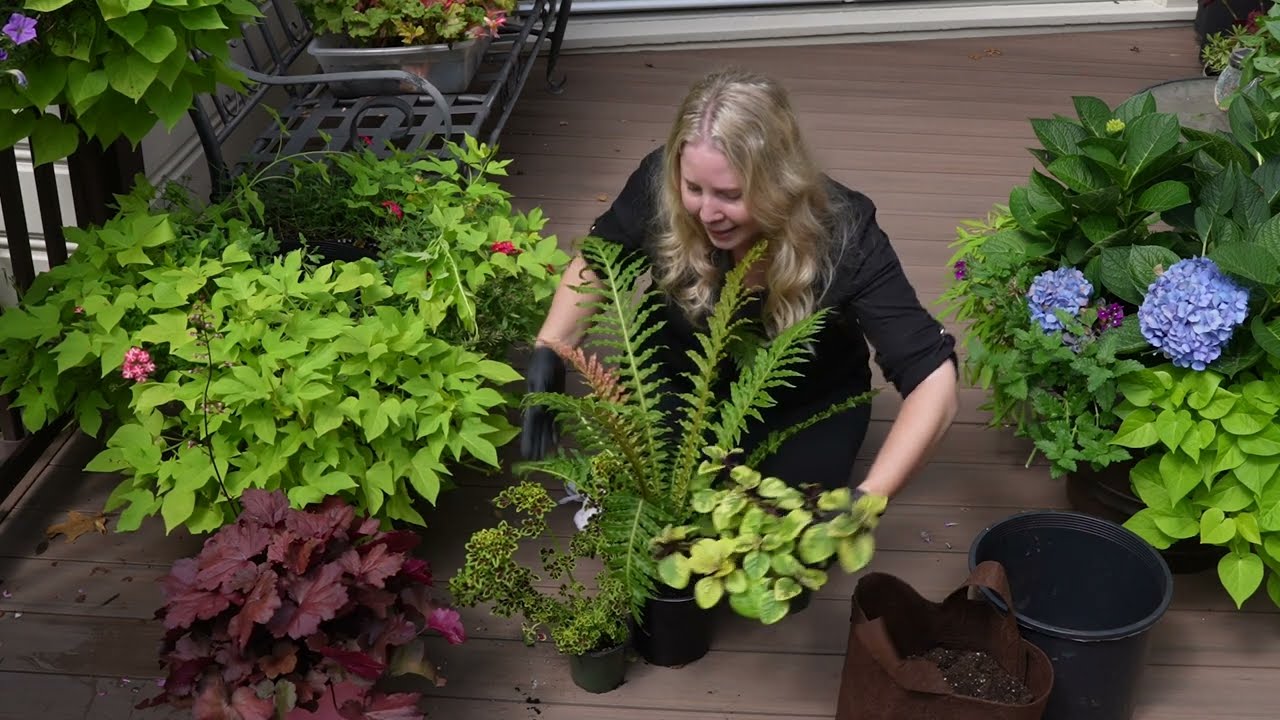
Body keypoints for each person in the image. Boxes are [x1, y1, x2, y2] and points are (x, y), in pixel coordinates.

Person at [520, 67, 958, 500]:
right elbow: (600, 260)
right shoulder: (659, 184)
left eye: (730, 195)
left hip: (802, 407)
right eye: (694, 188)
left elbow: (932, 378)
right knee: (660, 521)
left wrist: (869, 498)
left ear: (780, 183)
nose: (707, 213)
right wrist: (550, 349)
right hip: (678, 385)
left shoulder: (846, 233)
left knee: (786, 543)